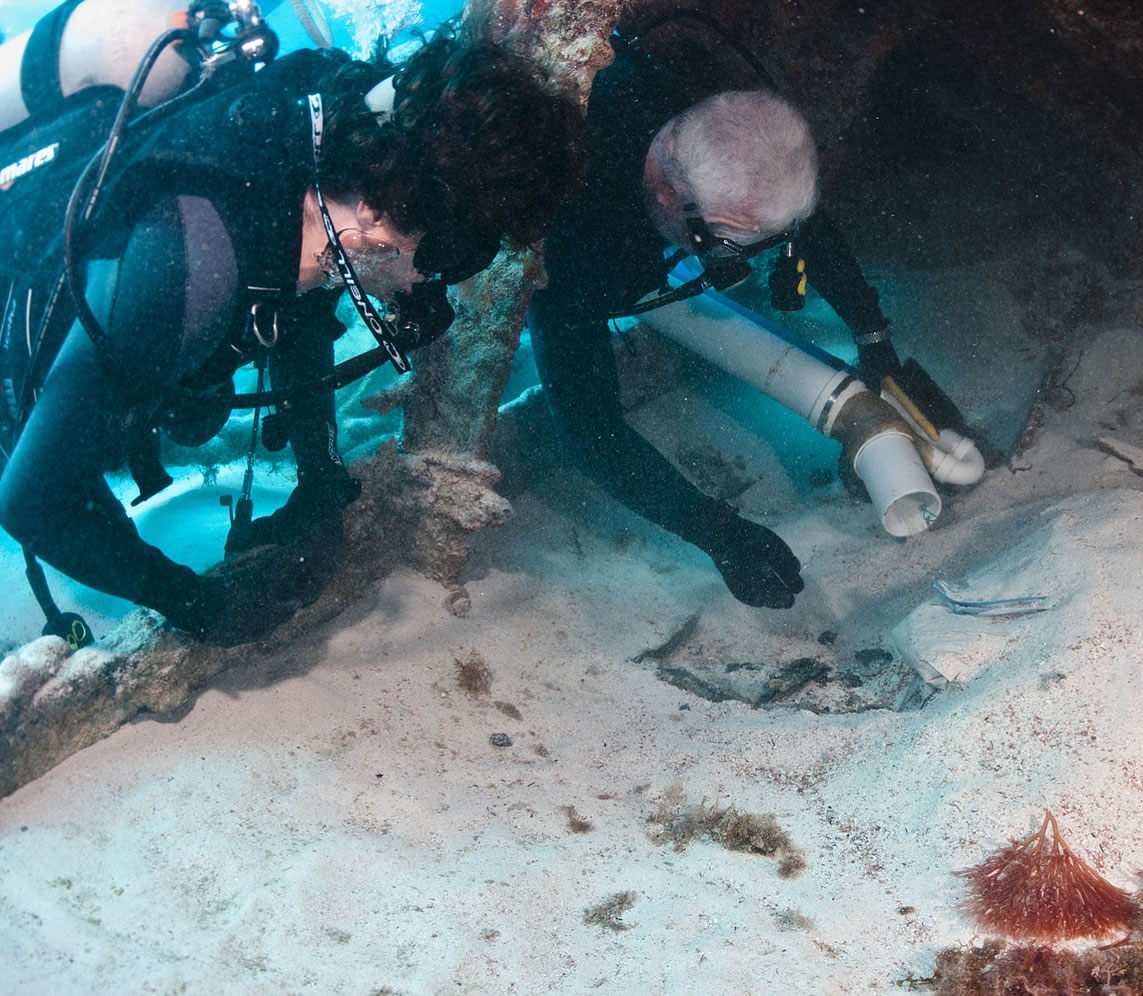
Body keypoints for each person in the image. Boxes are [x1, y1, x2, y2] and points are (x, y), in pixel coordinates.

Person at [0, 26, 579, 646]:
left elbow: (300, 318)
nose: (434, 283)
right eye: (447, 257)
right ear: (380, 220)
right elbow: (35, 500)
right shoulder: (195, 269)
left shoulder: (332, 173)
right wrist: (196, 602)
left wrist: (320, 473)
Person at [528, 29, 903, 611]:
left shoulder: (725, 119)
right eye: (731, 251)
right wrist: (717, 533)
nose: (745, 266)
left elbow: (814, 232)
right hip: (596, 249)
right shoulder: (579, 228)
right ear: (674, 192)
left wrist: (873, 337)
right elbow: (589, 427)